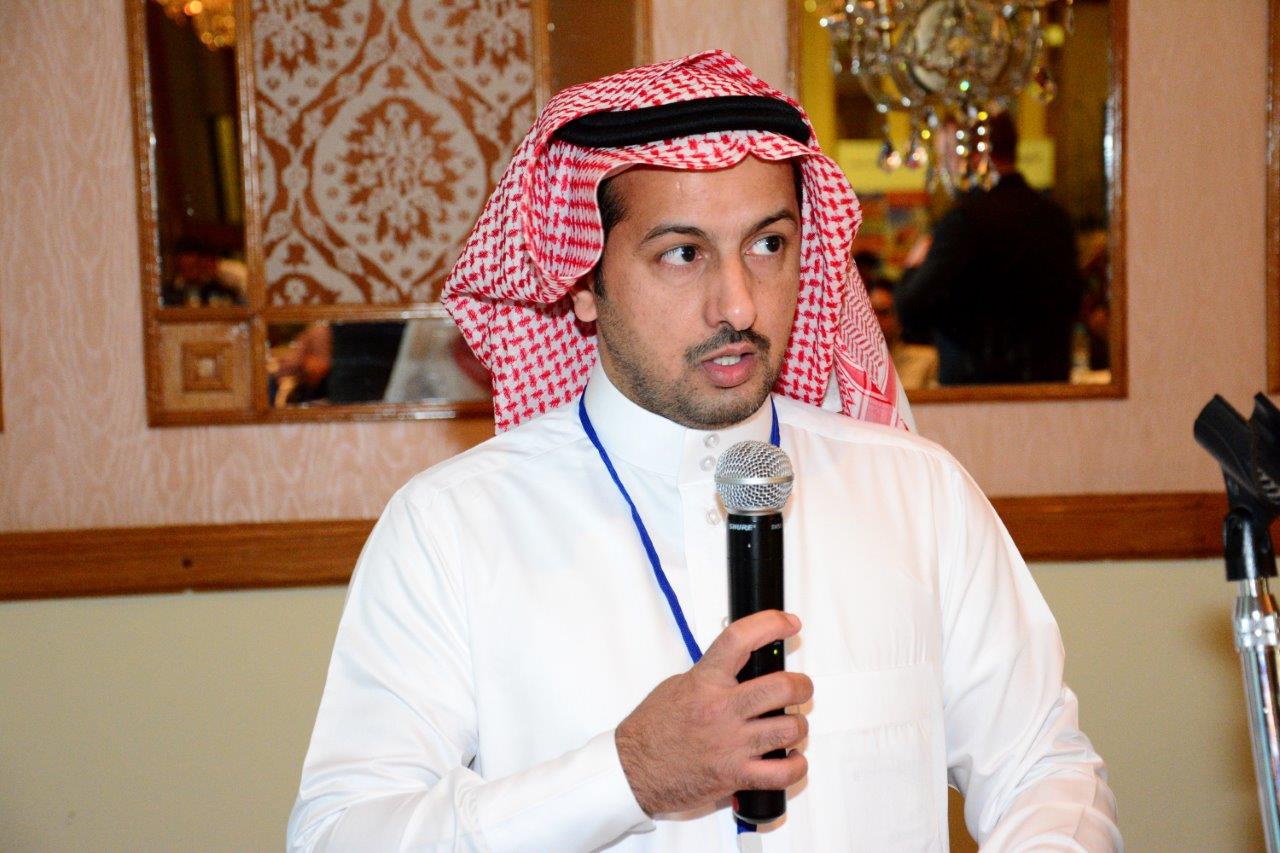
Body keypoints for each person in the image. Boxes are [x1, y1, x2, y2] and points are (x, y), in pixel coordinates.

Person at [288, 52, 1119, 851]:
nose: (740, 305)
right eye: (683, 254)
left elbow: (1045, 770)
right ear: (582, 279)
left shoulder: (918, 495)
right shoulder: (451, 530)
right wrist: (626, 774)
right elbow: (340, 834)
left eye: (768, 245)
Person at [895, 112, 1085, 385]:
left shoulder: (963, 221)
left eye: (946, 155)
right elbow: (1071, 303)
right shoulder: (1054, 218)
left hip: (978, 391)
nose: (945, 167)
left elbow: (910, 309)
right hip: (1047, 388)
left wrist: (914, 266)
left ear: (972, 154)